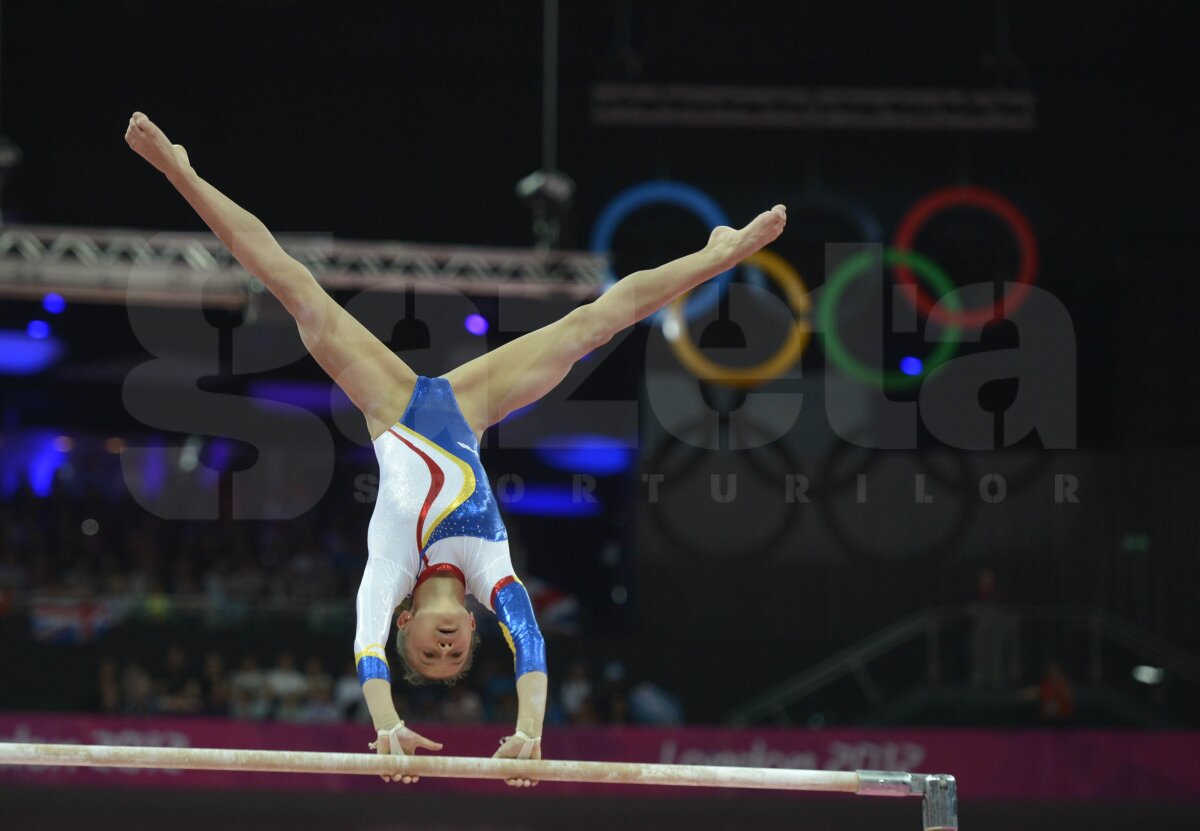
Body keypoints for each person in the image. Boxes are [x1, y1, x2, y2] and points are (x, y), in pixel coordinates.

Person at [124, 111, 786, 785]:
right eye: (456, 654)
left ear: (406, 621)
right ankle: (718, 253)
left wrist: (385, 724)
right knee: (591, 324)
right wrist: (529, 732)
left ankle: (182, 171)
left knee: (297, 290)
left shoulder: (391, 562)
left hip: (389, 406)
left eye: (428, 656)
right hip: (467, 410)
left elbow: (364, 647)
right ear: (472, 625)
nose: (444, 651)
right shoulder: (486, 566)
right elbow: (529, 644)